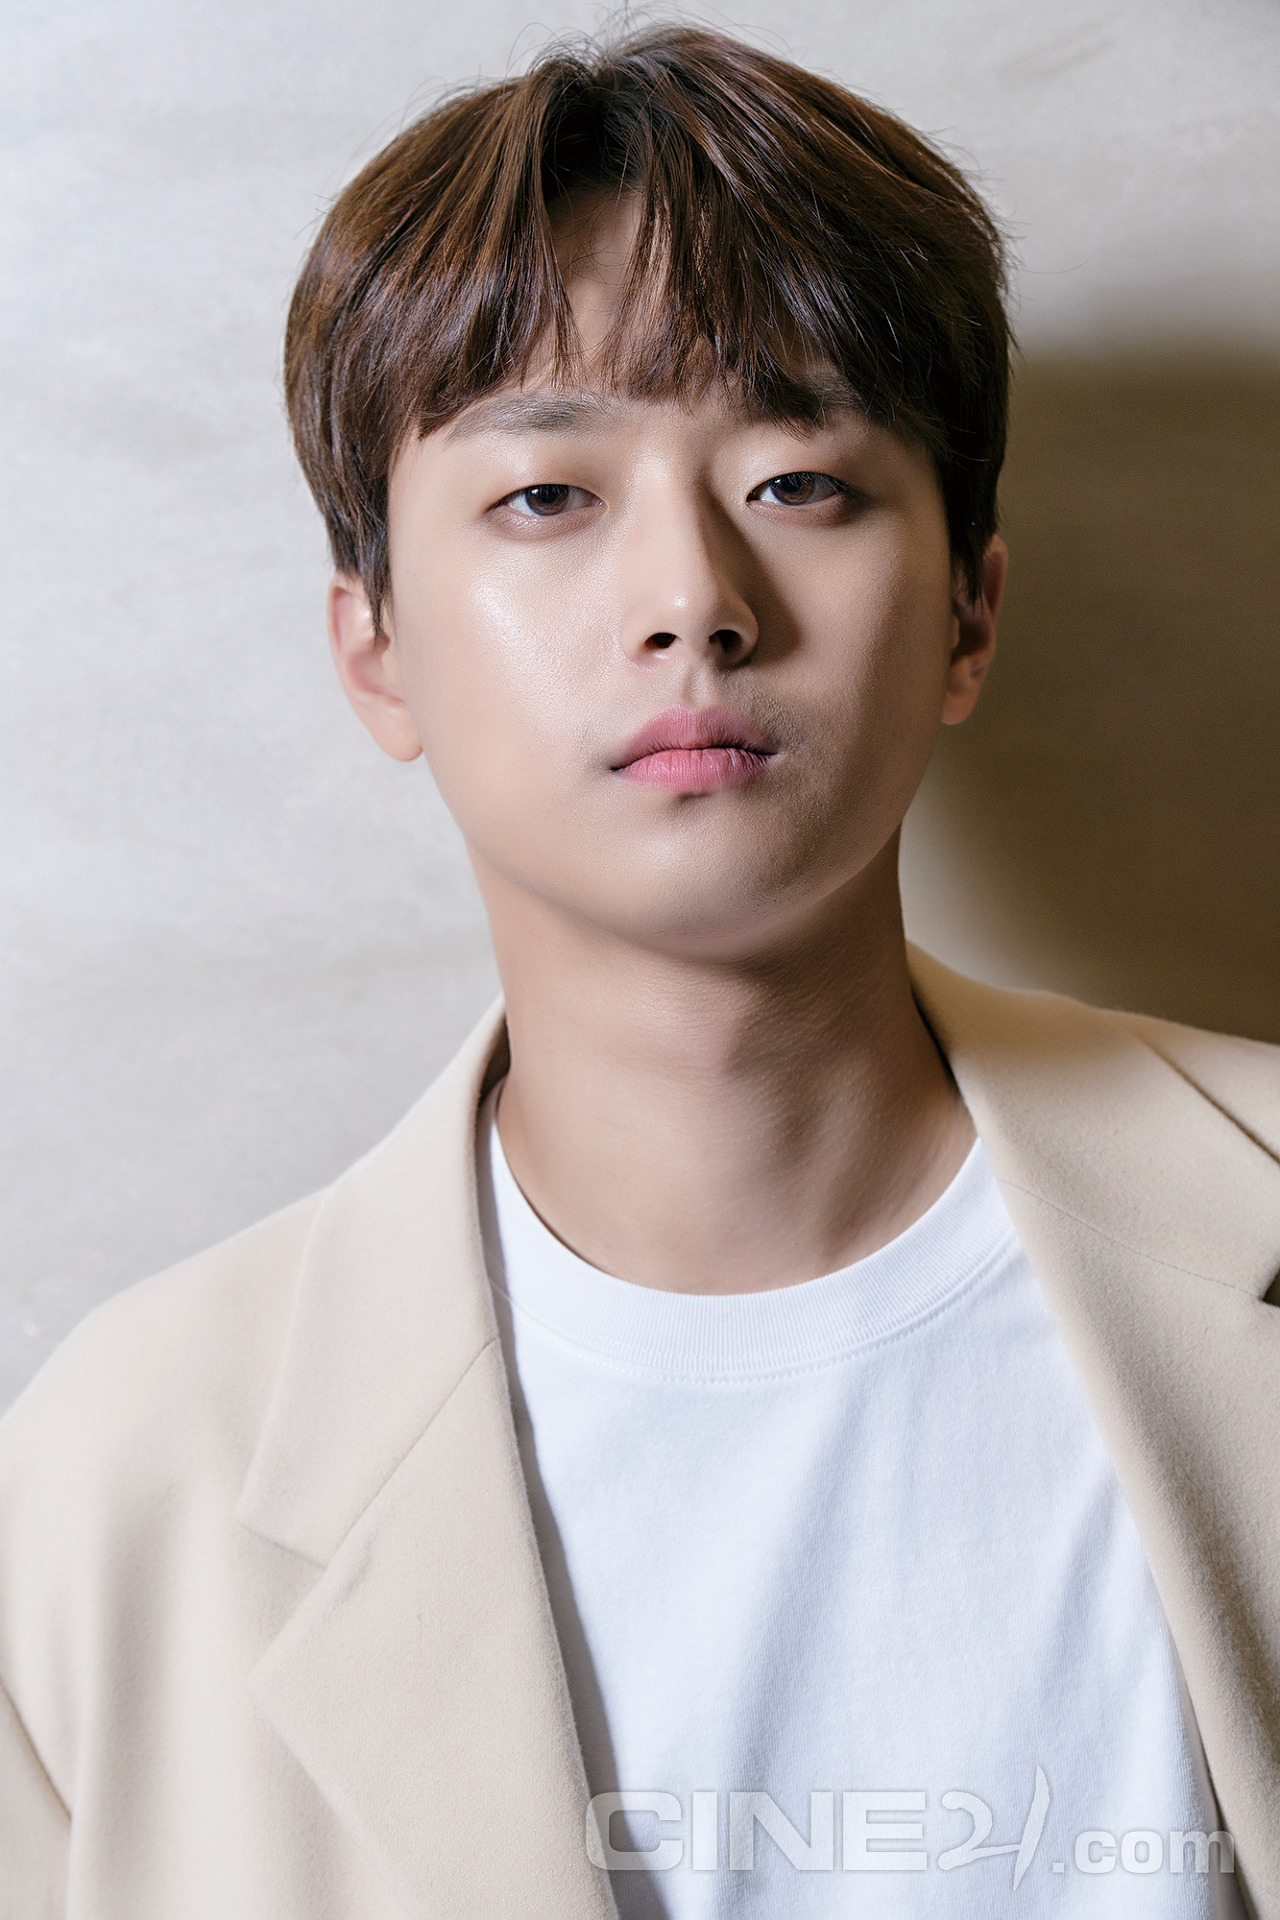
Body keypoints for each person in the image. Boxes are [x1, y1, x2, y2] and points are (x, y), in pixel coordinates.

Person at [0, 24, 1274, 1920]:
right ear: (376, 653)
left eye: (800, 480)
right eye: (547, 495)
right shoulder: (119, 1481)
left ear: (969, 613)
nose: (693, 600)